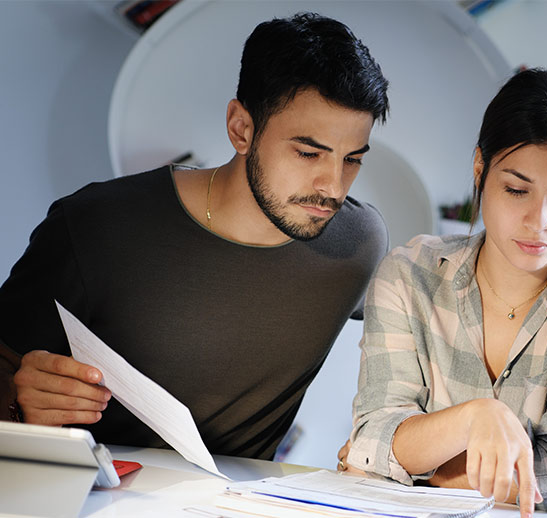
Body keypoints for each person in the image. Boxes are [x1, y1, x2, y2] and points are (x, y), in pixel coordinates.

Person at [0, 12, 390, 461]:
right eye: (308, 153)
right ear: (241, 128)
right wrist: (16, 402)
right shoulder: (95, 225)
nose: (333, 187)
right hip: (90, 495)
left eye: (353, 159)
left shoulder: (358, 244)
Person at [341, 68, 547, 518]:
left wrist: (411, 468)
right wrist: (473, 418)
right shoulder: (409, 274)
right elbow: (376, 431)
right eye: (516, 189)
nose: (539, 221)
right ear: (480, 169)